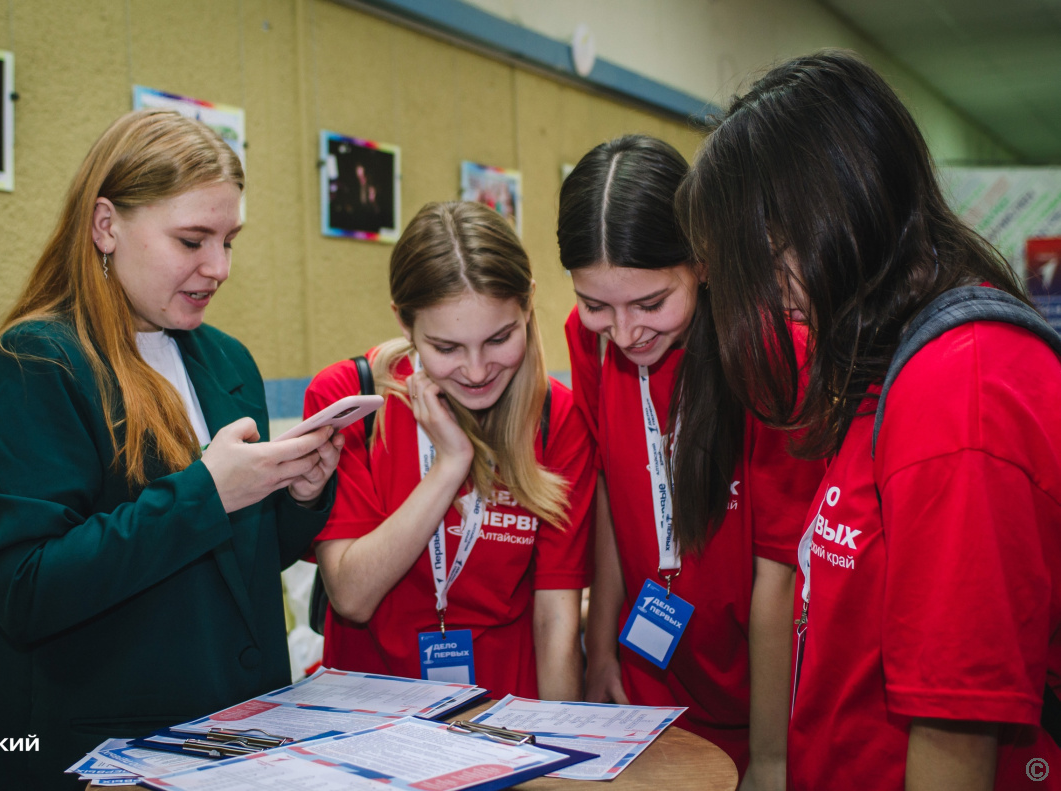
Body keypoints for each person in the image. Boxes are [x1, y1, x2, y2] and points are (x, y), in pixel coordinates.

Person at [676, 50, 1061, 790]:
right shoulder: (882, 366)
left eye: (757, 259)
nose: (760, 297)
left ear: (826, 219)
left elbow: (956, 735)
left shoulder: (961, 389)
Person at [0, 109, 343, 790]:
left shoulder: (224, 361)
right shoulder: (35, 364)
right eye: (192, 239)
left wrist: (299, 494)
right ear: (106, 225)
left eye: (229, 240)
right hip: (99, 754)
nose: (218, 267)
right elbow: (26, 589)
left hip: (231, 736)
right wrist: (209, 490)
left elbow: (234, 563)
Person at [557, 134, 825, 786]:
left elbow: (780, 575)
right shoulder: (588, 344)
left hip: (762, 686)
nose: (624, 333)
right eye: (597, 304)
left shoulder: (772, 353)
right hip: (647, 678)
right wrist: (598, 652)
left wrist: (769, 756)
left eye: (651, 303)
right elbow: (610, 492)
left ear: (702, 263)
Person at [306, 201, 596, 700]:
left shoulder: (558, 418)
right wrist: (451, 465)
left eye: (500, 338)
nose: (478, 370)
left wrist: (560, 755)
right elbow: (351, 595)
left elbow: (556, 623)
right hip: (370, 715)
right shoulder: (350, 399)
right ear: (404, 322)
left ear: (528, 306)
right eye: (447, 348)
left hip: (506, 717)